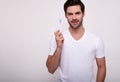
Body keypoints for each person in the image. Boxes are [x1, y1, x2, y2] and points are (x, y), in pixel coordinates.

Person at [46, 0, 106, 82]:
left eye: (77, 13)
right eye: (70, 14)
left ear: (83, 13)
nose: (74, 18)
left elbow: (101, 67)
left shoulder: (96, 40)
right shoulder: (57, 38)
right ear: (65, 15)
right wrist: (59, 47)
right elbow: (51, 69)